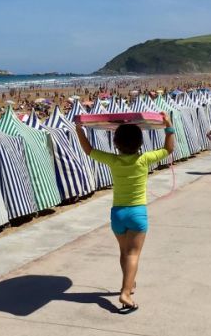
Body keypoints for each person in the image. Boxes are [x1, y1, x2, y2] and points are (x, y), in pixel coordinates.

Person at [75, 112, 175, 312]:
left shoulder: (114, 160)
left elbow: (88, 150)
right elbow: (168, 148)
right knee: (134, 253)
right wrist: (168, 125)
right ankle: (125, 292)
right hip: (137, 213)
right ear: (139, 144)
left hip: (118, 214)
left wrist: (79, 130)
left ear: (116, 144)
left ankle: (129, 283)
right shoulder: (145, 159)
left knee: (124, 252)